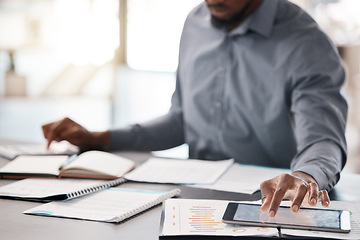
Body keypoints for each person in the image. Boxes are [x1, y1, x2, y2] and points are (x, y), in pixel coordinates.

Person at [42, 0, 347, 217]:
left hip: (269, 206)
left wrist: (305, 177)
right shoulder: (195, 22)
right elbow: (183, 121)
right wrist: (99, 138)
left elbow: (323, 139)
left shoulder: (307, 42)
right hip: (192, 201)